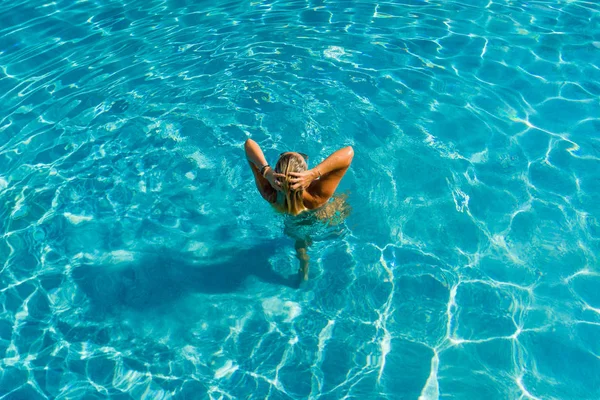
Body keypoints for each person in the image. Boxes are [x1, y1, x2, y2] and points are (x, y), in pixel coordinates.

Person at [244, 138, 354, 281]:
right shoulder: (316, 196)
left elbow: (249, 144)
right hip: (324, 218)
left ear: (276, 173)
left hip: (291, 221)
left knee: (299, 240)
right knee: (342, 199)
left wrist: (266, 171)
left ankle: (304, 268)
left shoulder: (269, 193)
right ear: (305, 176)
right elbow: (349, 152)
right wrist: (314, 173)